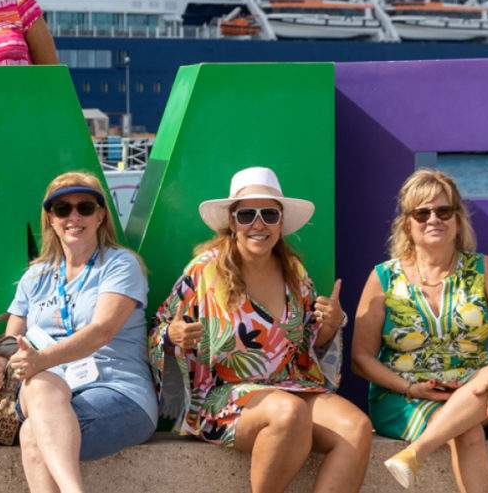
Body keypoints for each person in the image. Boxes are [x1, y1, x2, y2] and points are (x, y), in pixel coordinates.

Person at [159, 167, 370, 493]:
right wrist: (172, 336)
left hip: (294, 387)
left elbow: (310, 343)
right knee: (288, 413)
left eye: (269, 214)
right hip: (225, 397)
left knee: (356, 428)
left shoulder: (294, 273)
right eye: (247, 215)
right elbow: (161, 327)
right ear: (232, 222)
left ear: (280, 222)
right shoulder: (205, 271)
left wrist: (330, 323)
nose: (258, 224)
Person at [0, 171, 154, 493]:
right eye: (62, 209)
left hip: (118, 391)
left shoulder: (120, 265)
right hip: (49, 393)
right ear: (51, 219)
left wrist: (40, 359)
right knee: (39, 390)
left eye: (85, 207)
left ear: (101, 215)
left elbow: (102, 331)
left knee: (34, 429)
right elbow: (8, 346)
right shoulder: (36, 276)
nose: (74, 216)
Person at [351, 169, 488, 491]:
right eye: (422, 213)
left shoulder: (483, 268)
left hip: (479, 393)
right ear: (407, 223)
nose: (434, 219)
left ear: (457, 220)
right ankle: (417, 450)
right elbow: (360, 358)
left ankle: (415, 453)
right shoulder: (383, 278)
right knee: (467, 431)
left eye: (444, 211)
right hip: (404, 396)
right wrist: (409, 387)